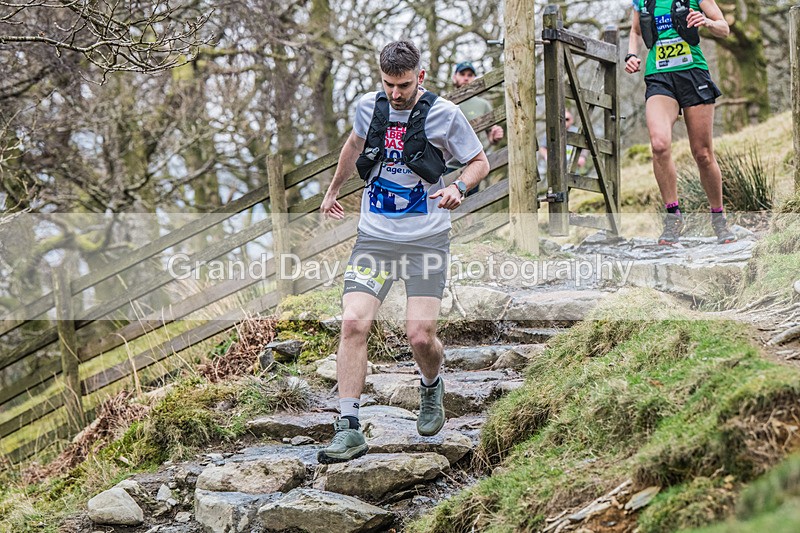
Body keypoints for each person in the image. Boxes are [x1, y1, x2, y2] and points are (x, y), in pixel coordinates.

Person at [318, 40, 490, 464]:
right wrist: (334, 189)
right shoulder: (367, 107)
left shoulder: (444, 114)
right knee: (354, 323)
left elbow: (479, 162)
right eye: (389, 84)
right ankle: (348, 427)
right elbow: (354, 146)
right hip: (375, 238)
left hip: (426, 240)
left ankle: (431, 386)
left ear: (421, 77)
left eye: (404, 85)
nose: (396, 93)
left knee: (419, 335)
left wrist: (458, 187)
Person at [626, 0, 736, 245]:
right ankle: (673, 217)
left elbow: (724, 28)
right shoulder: (641, 1)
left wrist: (705, 21)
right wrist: (632, 55)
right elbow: (634, 31)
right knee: (659, 145)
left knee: (703, 154)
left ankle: (718, 219)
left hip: (693, 73)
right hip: (659, 77)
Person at [537, 109, 587, 190]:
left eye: (567, 119)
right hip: (557, 166)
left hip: (574, 165)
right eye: (563, 119)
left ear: (571, 120)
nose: (565, 122)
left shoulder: (577, 131)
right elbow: (542, 147)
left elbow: (584, 146)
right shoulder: (552, 131)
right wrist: (547, 156)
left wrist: (583, 157)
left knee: (575, 185)